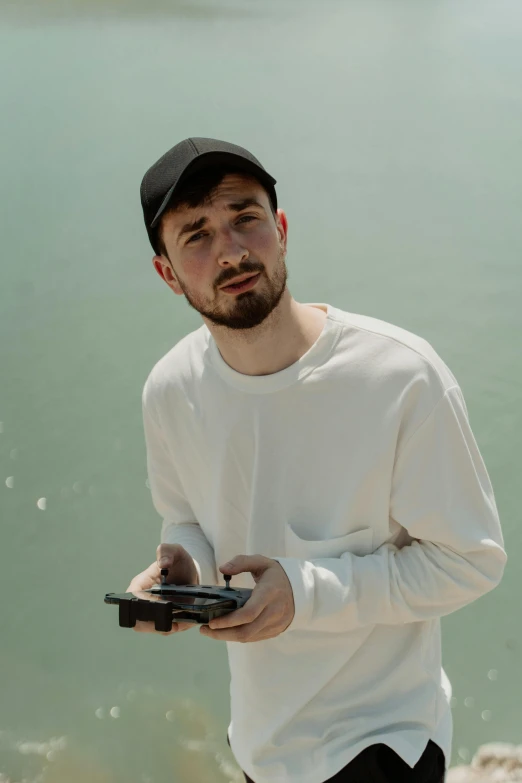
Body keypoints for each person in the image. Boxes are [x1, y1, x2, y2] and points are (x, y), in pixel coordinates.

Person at [128, 137, 507, 783]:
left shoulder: (400, 377)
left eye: (245, 217)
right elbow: (184, 515)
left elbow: (471, 562)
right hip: (261, 742)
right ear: (167, 272)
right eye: (196, 233)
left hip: (384, 742)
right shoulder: (170, 389)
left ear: (279, 229)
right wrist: (178, 567)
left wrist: (303, 593)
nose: (232, 250)